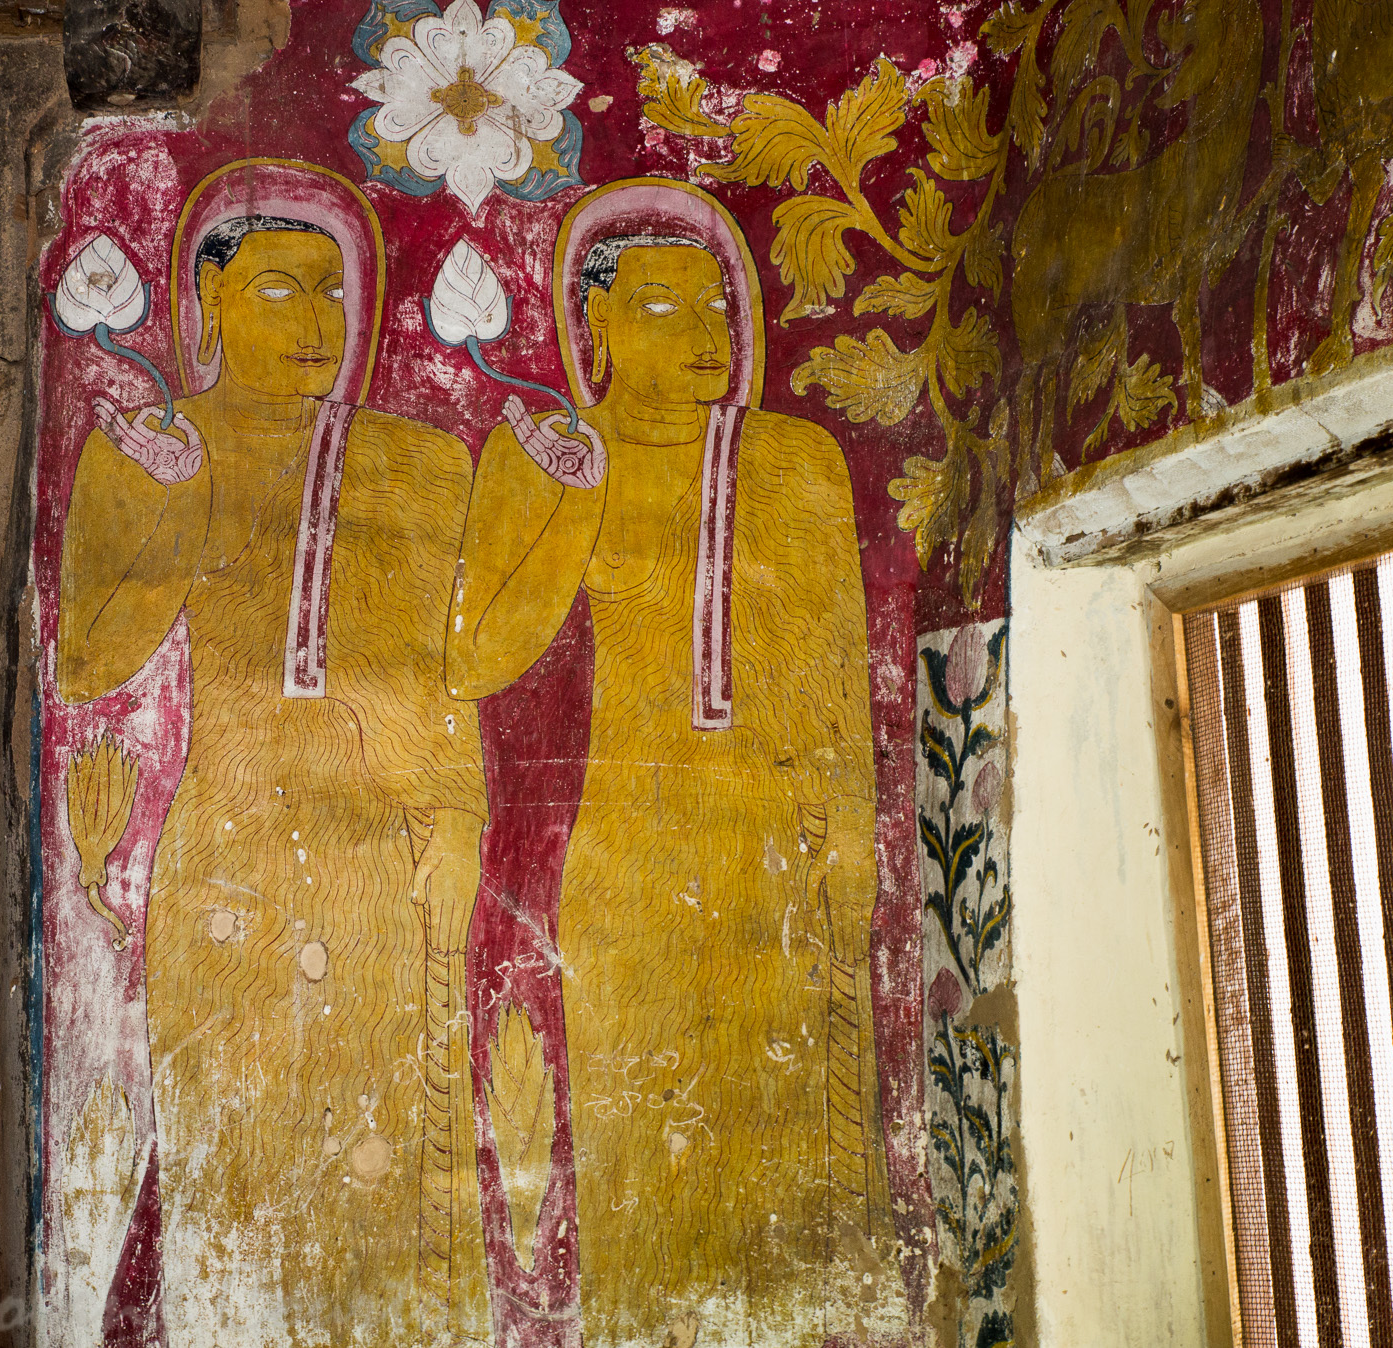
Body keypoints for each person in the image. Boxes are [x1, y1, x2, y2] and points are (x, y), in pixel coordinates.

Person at [447, 180, 899, 1345]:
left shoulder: (795, 461)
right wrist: (564, 505)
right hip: (631, 862)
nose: (703, 335)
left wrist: (848, 877)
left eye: (715, 308)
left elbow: (840, 688)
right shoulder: (549, 451)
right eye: (658, 308)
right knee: (644, 1156)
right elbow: (476, 659)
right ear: (590, 326)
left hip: (779, 869)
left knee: (792, 1153)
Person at [56, 161, 487, 1346]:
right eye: (276, 291)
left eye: (329, 292)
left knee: (381, 1175)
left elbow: (445, 690)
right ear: (206, 316)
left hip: (380, 863)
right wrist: (156, 504)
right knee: (230, 1168)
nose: (313, 321)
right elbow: (89, 659)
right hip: (226, 854)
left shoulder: (418, 460)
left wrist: (454, 831)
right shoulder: (160, 444)